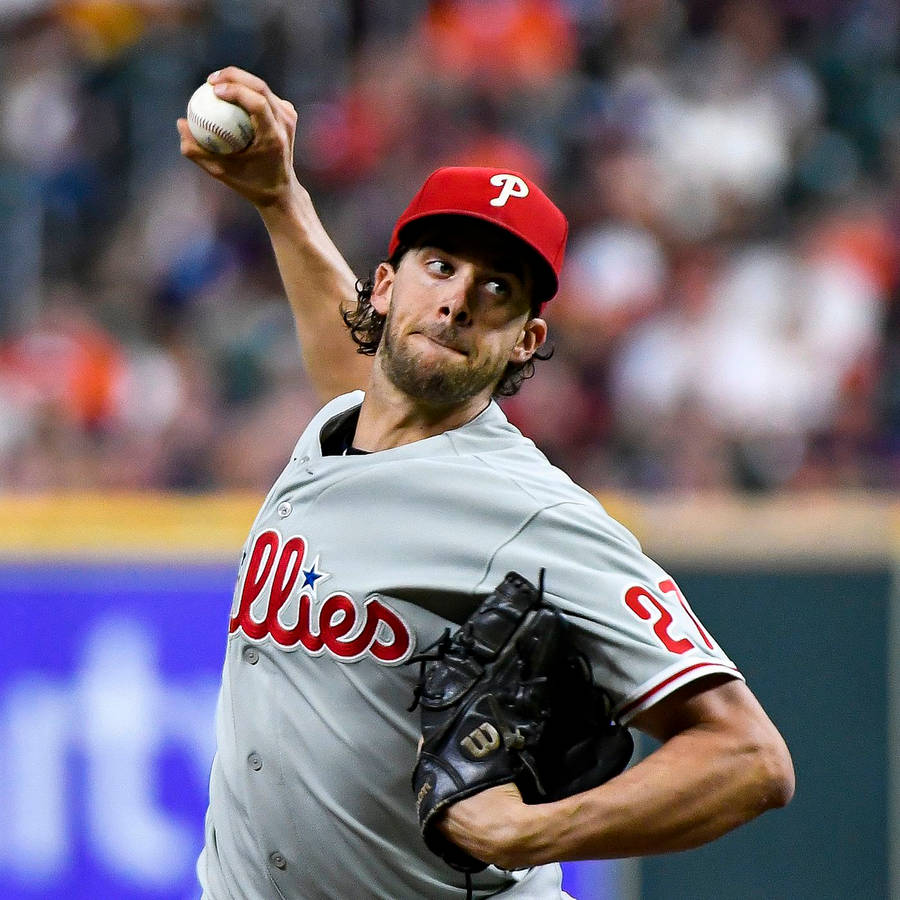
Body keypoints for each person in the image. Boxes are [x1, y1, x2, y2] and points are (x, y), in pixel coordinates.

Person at [178, 68, 794, 900]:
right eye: (440, 265)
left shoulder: (530, 511)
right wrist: (281, 199)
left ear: (526, 340)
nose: (459, 299)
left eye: (497, 289)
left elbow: (750, 756)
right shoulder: (343, 427)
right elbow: (359, 364)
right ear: (387, 286)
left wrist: (531, 831)